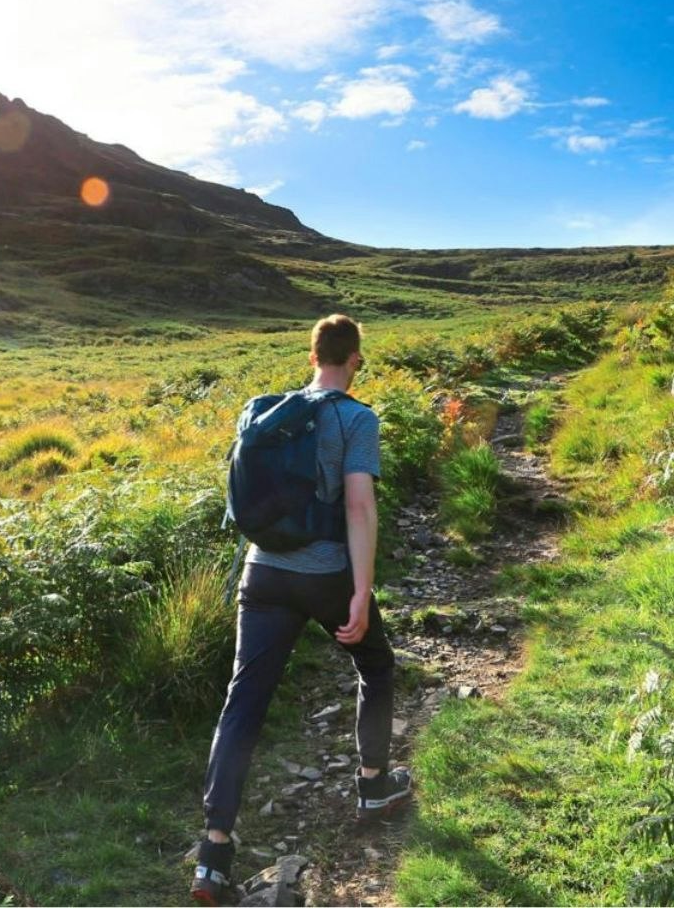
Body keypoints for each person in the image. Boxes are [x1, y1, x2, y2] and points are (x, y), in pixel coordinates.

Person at [191, 314, 412, 905]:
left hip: (261, 572)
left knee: (244, 701)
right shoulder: (356, 418)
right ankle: (372, 786)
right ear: (355, 358)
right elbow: (360, 509)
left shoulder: (269, 410)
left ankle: (213, 853)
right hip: (324, 575)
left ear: (312, 355)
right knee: (375, 666)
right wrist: (361, 592)